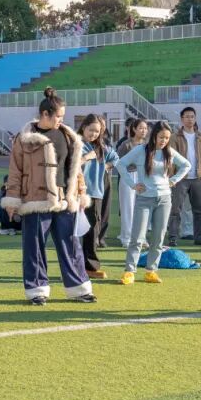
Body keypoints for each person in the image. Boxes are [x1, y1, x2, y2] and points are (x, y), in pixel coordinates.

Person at [3, 87, 96, 305]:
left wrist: (81, 192)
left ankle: (79, 288)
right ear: (45, 114)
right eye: (59, 116)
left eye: (63, 116)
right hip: (35, 200)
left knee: (71, 245)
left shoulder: (68, 135)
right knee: (34, 247)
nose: (61, 120)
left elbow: (75, 169)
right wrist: (12, 199)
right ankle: (37, 292)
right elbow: (15, 170)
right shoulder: (24, 138)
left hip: (65, 200)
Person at [117, 120, 191, 285]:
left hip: (165, 199)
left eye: (166, 138)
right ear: (154, 136)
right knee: (137, 237)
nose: (163, 141)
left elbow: (186, 165)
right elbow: (120, 164)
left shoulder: (169, 152)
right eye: (161, 137)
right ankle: (129, 271)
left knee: (158, 237)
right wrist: (133, 184)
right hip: (144, 199)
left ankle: (151, 271)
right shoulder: (140, 150)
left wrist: (173, 180)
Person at [166, 107, 201, 247]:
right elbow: (170, 158)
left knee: (199, 209)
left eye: (192, 116)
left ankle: (199, 237)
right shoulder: (174, 137)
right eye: (187, 116)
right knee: (176, 209)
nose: (190, 119)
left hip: (197, 178)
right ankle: (172, 237)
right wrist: (170, 177)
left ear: (195, 119)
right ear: (182, 119)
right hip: (180, 178)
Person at [78, 114, 120, 280]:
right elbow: (70, 163)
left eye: (98, 131)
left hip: (95, 193)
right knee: (77, 230)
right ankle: (83, 266)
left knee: (92, 228)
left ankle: (89, 266)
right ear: (83, 127)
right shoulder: (77, 144)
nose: (94, 134)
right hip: (78, 193)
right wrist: (86, 158)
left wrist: (106, 166)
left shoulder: (100, 147)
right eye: (91, 130)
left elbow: (115, 158)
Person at [115, 118, 149, 248]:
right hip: (128, 177)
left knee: (143, 208)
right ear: (134, 129)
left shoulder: (148, 144)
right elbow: (118, 162)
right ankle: (127, 238)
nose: (144, 131)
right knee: (128, 207)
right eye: (141, 128)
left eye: (145, 128)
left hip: (144, 177)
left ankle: (141, 237)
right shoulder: (126, 145)